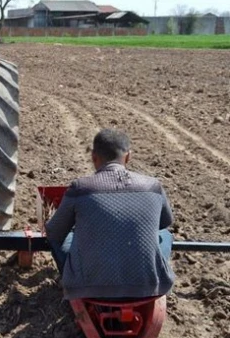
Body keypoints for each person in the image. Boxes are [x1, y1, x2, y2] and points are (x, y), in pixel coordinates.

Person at [45, 128, 175, 301]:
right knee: (164, 235)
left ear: (93, 157)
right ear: (128, 157)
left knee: (62, 238)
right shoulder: (153, 186)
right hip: (148, 286)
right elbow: (164, 223)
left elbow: (54, 232)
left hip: (88, 287)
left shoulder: (80, 188)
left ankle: (75, 281)